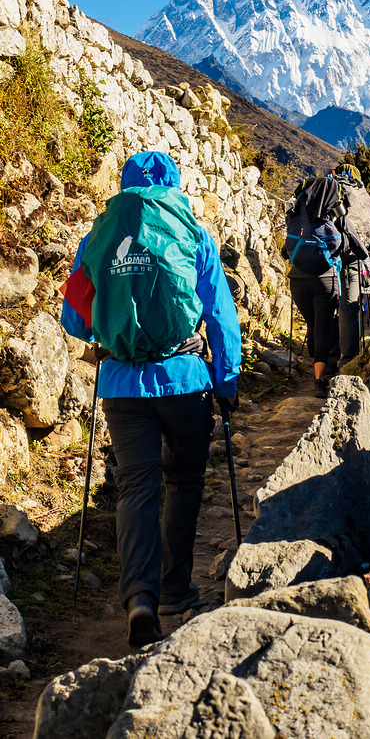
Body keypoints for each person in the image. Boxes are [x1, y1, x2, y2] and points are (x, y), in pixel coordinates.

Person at [61, 151, 242, 647]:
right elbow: (222, 319)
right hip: (186, 382)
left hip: (122, 386)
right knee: (183, 481)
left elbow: (73, 321)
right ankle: (176, 592)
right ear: (175, 186)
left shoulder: (98, 238)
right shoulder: (194, 234)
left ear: (124, 185)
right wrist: (225, 383)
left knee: (137, 487)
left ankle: (139, 599)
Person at [283, 176, 344, 398]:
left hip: (297, 281)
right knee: (322, 327)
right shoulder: (332, 219)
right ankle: (320, 379)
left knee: (311, 325)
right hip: (324, 279)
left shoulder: (296, 216)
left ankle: (314, 373)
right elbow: (343, 247)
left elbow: (285, 250)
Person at [328, 164, 370, 367]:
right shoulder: (365, 197)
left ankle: (329, 355)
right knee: (350, 308)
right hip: (356, 258)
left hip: (329, 256)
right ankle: (349, 359)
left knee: (329, 306)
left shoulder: (331, 189)